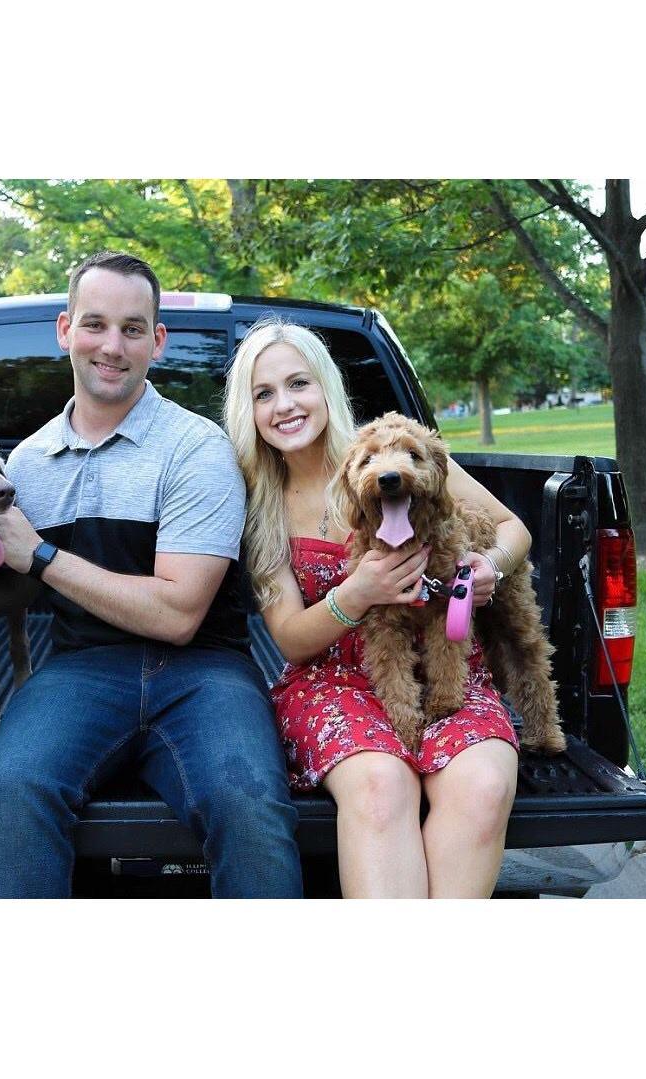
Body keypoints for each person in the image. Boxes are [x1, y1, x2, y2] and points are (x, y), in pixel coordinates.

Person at [0, 252, 302, 898]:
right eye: (94, 324)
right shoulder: (26, 463)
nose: (111, 346)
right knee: (9, 796)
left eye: (132, 328)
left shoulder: (194, 448)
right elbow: (2, 591)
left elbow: (178, 615)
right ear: (65, 330)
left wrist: (41, 554)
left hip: (204, 674)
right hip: (79, 669)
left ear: (157, 341)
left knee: (250, 808)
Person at [223, 319, 528, 899]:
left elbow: (513, 528)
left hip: (444, 669)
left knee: (484, 786)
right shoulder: (258, 503)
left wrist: (490, 566)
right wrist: (355, 594)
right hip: (332, 682)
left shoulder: (395, 453)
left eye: (299, 383)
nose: (285, 405)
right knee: (382, 789)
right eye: (264, 394)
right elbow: (288, 637)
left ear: (327, 388)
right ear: (249, 410)